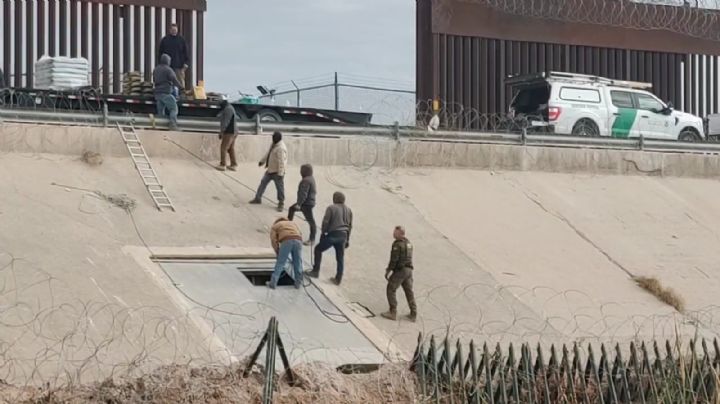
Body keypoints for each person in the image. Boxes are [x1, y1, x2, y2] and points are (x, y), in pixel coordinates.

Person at [306, 191, 352, 285]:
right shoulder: (349, 210)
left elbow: (326, 221)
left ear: (334, 199)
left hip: (333, 235)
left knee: (318, 249)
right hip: (343, 235)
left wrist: (323, 233)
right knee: (340, 258)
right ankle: (338, 279)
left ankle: (315, 271)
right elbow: (350, 226)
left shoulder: (331, 208)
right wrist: (347, 239)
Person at [380, 225, 417, 322]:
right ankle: (413, 313)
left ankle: (393, 312)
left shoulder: (397, 245)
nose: (393, 234)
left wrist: (389, 270)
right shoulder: (408, 243)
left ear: (401, 234)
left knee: (391, 288)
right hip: (409, 270)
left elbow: (394, 259)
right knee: (409, 291)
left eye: (395, 232)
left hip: (401, 270)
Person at [249, 132, 287, 212]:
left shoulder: (281, 148)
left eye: (274, 138)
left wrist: (280, 173)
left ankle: (281, 203)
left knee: (279, 188)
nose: (272, 139)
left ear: (278, 139)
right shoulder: (274, 144)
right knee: (263, 182)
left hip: (277, 172)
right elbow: (268, 153)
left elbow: (282, 162)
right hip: (270, 170)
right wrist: (262, 161)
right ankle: (258, 198)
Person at [268, 217, 303, 289]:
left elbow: (273, 240)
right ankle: (298, 283)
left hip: (287, 240)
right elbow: (300, 233)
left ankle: (273, 283)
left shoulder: (275, 226)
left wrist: (277, 251)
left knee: (280, 263)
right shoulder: (293, 223)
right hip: (298, 240)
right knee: (297, 262)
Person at [288, 164, 317, 246]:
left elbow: (303, 194)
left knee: (311, 221)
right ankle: (288, 226)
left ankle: (312, 240)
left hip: (306, 204)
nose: (300, 172)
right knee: (291, 209)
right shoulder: (311, 178)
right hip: (309, 203)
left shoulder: (305, 181)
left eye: (301, 170)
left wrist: (299, 204)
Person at [153, 54, 181, 130]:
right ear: (167, 61)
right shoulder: (168, 69)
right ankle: (173, 125)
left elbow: (154, 80)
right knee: (174, 108)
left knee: (161, 111)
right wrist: (181, 87)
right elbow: (174, 80)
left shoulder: (156, 69)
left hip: (157, 94)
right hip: (166, 93)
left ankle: (160, 126)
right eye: (169, 61)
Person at [158, 23, 189, 90]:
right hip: (166, 66)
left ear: (177, 30)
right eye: (172, 29)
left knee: (179, 82)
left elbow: (186, 52)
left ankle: (181, 96)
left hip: (179, 66)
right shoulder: (165, 40)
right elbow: (160, 52)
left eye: (175, 29)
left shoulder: (181, 40)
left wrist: (186, 63)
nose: (174, 31)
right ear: (170, 30)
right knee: (167, 82)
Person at [216, 100, 238, 171]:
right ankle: (234, 165)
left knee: (223, 148)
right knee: (231, 148)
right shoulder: (230, 108)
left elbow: (226, 122)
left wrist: (221, 132)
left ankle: (223, 165)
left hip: (229, 132)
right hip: (234, 131)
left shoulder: (227, 109)